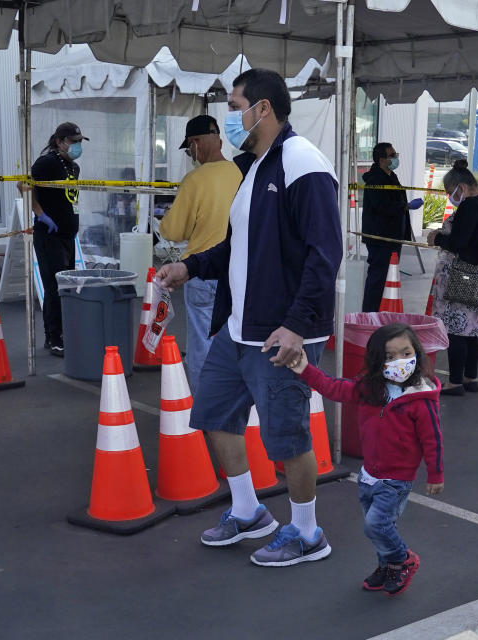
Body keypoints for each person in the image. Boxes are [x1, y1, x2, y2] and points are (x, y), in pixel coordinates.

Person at [155, 68, 342, 567]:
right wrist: (188, 267)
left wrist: (298, 326)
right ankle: (248, 511)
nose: (230, 118)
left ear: (263, 108)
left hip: (281, 332)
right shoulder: (253, 168)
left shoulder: (304, 163)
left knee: (288, 437)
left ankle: (307, 533)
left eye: (235, 106)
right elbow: (236, 247)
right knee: (214, 415)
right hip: (238, 328)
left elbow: (326, 255)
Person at [289, 323, 443, 596]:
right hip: (369, 475)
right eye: (390, 356)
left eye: (406, 353)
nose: (400, 362)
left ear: (417, 353)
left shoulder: (421, 399)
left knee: (376, 525)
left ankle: (402, 559)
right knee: (379, 529)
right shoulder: (370, 388)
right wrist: (304, 369)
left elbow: (433, 440)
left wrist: (435, 474)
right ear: (376, 361)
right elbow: (334, 388)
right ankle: (387, 567)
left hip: (396, 480)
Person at [158, 115, 242, 396]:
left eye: (189, 148)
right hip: (239, 272)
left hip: (202, 272)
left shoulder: (194, 180)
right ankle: (236, 404)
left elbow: (174, 230)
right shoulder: (241, 173)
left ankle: (206, 408)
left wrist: (164, 220)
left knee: (202, 345)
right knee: (239, 341)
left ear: (195, 144)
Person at [426, 159, 478, 396]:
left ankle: (455, 381)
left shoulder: (469, 206)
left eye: (449, 192)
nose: (449, 197)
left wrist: (438, 238)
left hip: (464, 273)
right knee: (471, 329)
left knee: (456, 329)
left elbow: (459, 242)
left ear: (461, 187)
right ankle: (470, 377)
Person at [30, 122, 87, 358]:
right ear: (59, 141)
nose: (77, 146)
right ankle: (53, 336)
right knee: (53, 286)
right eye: (73, 142)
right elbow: (24, 185)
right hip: (49, 234)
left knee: (67, 286)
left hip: (67, 234)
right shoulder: (47, 162)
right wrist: (40, 214)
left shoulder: (73, 167)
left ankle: (63, 332)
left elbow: (70, 199)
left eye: (79, 142)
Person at [361, 142, 424, 312]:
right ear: (382, 159)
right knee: (378, 277)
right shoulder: (375, 179)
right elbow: (381, 205)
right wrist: (405, 206)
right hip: (381, 236)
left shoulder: (391, 176)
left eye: (396, 154)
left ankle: (383, 311)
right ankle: (370, 313)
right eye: (392, 155)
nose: (396, 158)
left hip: (393, 235)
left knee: (389, 275)